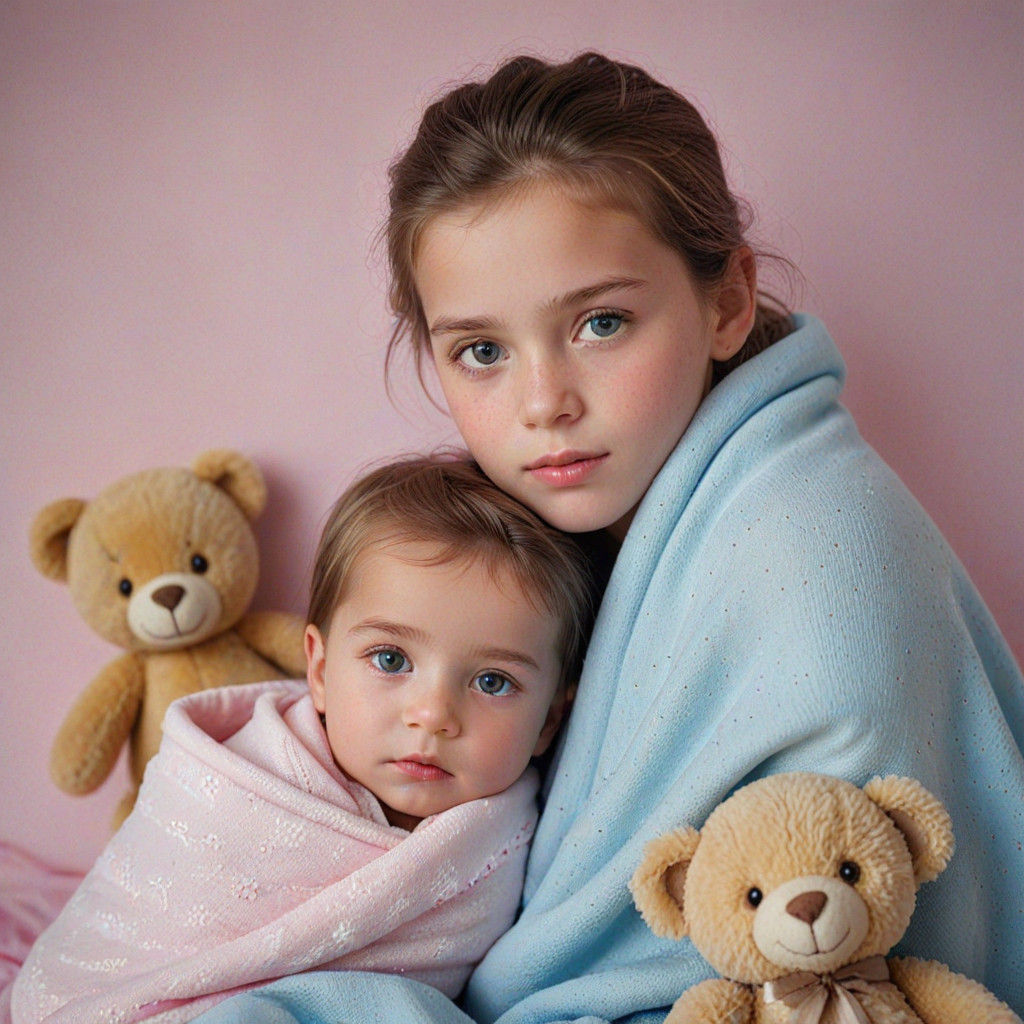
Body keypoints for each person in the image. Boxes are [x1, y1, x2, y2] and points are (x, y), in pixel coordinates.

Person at [194, 51, 1024, 1023]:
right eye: (482, 351)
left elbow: (812, 964)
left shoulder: (815, 567)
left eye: (599, 323)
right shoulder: (542, 542)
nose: (543, 403)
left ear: (724, 300)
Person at [10, 455, 594, 1024]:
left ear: (548, 720)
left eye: (493, 681)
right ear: (319, 671)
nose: (433, 715)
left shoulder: (518, 833)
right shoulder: (241, 787)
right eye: (390, 659)